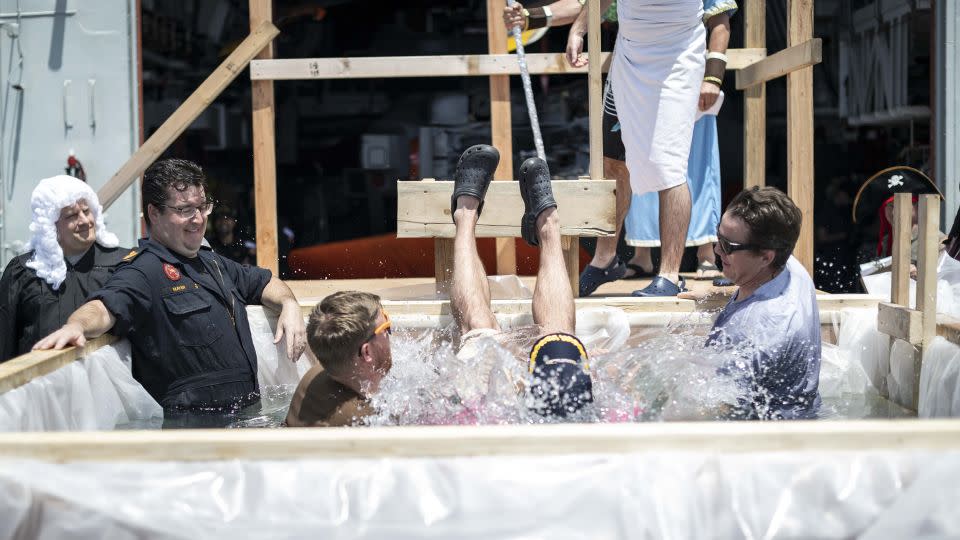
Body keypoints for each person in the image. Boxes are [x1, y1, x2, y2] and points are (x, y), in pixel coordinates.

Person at [34, 159, 307, 413]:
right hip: (193, 433)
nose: (199, 218)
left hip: (246, 416)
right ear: (154, 213)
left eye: (202, 207)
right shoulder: (144, 271)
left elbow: (264, 281)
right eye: (185, 210)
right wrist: (76, 326)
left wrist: (289, 304)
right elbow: (104, 307)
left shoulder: (213, 263)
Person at [566, 0, 706, 297]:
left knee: (668, 166)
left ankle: (669, 274)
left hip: (677, 56)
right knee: (611, 161)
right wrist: (579, 29)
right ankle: (605, 259)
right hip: (629, 56)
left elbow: (722, 19)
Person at [624, 0, 736, 281]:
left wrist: (712, 78)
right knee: (642, 159)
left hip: (688, 76)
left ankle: (706, 253)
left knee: (696, 162)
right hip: (643, 75)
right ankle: (642, 255)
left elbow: (719, 23)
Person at [707, 187, 821, 419]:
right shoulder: (789, 267)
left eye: (729, 246)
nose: (717, 249)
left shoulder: (757, 331)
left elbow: (713, 407)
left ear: (765, 257)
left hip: (764, 440)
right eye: (718, 237)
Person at [0, 175, 129, 362]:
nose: (84, 220)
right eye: (72, 215)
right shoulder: (23, 271)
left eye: (87, 211)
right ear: (51, 225)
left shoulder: (121, 264)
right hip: (40, 383)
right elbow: (5, 338)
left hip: (104, 383)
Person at [284, 291, 391, 427]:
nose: (389, 334)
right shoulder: (362, 421)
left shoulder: (319, 372)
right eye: (386, 328)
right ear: (367, 352)